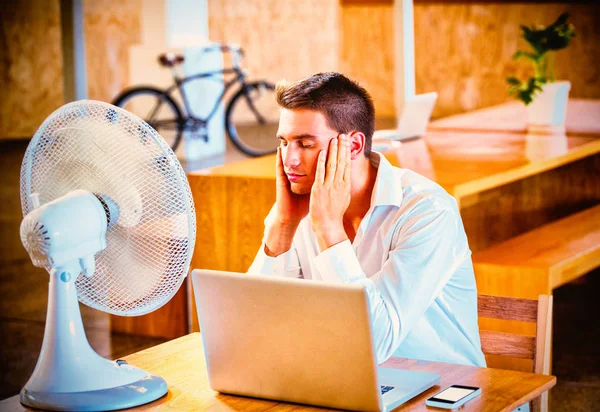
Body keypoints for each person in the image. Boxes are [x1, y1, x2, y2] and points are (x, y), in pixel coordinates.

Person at [248, 72, 485, 367]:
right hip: (345, 381)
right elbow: (253, 325)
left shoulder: (428, 212)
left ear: (355, 146)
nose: (289, 159)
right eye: (284, 142)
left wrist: (329, 229)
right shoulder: (296, 211)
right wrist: (282, 229)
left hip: (445, 391)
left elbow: (377, 342)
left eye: (305, 144)